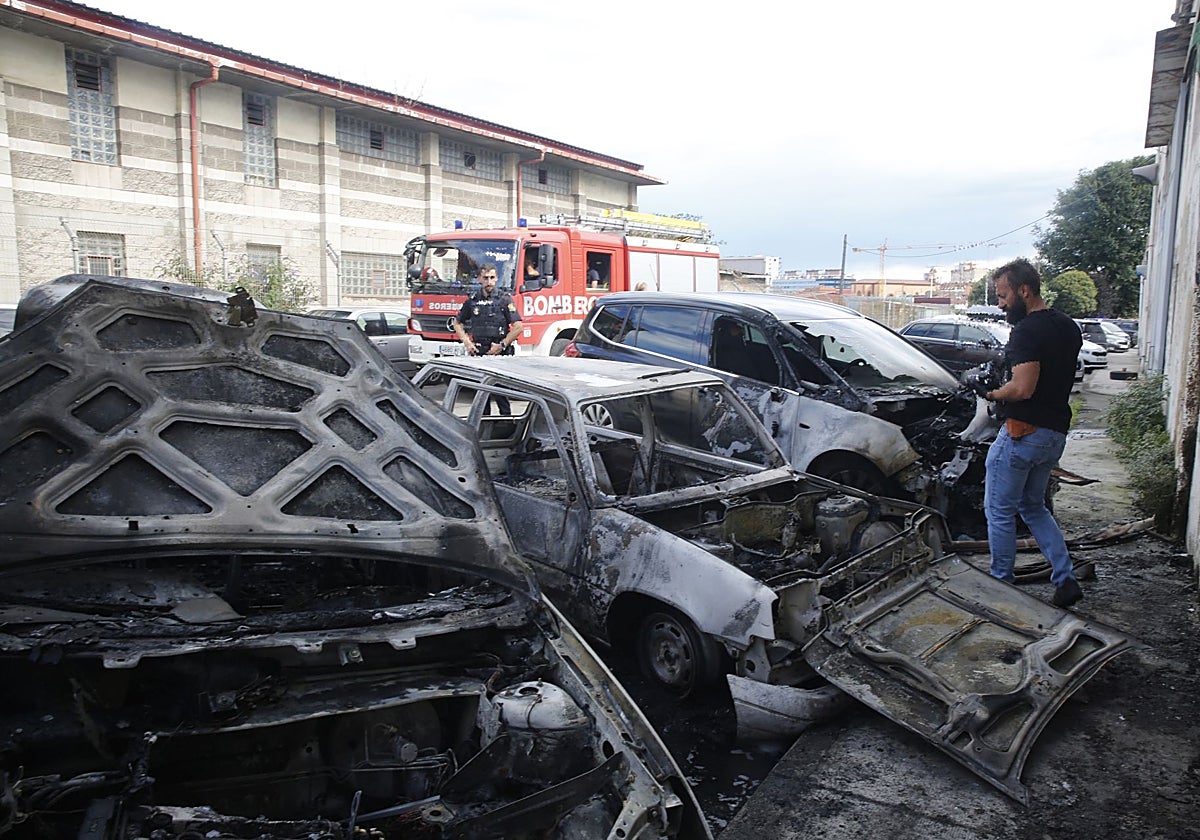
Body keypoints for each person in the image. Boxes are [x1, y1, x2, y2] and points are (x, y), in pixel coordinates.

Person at [968, 258, 1084, 607]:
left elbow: (1022, 389)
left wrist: (990, 393)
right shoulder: (1068, 326)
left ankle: (1001, 585)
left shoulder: (1027, 331)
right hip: (1054, 435)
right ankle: (1065, 579)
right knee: (1033, 507)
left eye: (1003, 296)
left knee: (999, 511)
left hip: (1023, 433)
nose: (1000, 304)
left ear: (1024, 290)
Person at [451, 263, 522, 415]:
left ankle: (506, 427)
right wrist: (467, 343)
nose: (489, 281)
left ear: (496, 279)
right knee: (482, 395)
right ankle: (483, 427)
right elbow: (457, 323)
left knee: (501, 394)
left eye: (492, 278)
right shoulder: (473, 300)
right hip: (479, 353)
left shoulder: (504, 299)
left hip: (499, 354)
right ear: (479, 279)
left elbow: (518, 327)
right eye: (485, 278)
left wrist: (502, 345)